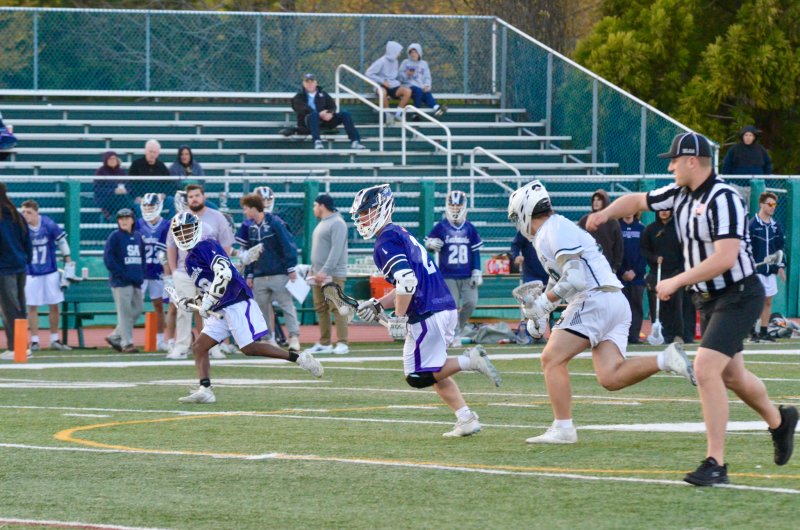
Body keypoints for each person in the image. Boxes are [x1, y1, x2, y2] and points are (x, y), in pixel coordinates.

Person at [586, 131, 797, 486]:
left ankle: (716, 462)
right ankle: (781, 421)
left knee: (705, 367)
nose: (669, 166)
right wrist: (604, 213)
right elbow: (637, 200)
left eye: (673, 160)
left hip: (739, 293)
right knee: (733, 376)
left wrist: (677, 280)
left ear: (692, 161)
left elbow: (726, 257)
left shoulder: (724, 197)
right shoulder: (678, 194)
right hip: (710, 298)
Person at [507, 179, 695, 445]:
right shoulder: (555, 230)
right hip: (614, 301)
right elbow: (558, 279)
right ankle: (666, 360)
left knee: (551, 359)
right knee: (610, 376)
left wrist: (544, 305)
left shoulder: (553, 230)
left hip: (594, 299)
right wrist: (541, 314)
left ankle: (563, 428)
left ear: (525, 211)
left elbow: (574, 280)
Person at [351, 184, 502, 436]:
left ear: (381, 209)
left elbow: (407, 282)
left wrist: (398, 318)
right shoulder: (399, 233)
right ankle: (465, 418)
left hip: (427, 312)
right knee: (434, 370)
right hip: (442, 306)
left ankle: (470, 361)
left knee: (417, 375)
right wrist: (379, 304)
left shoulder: (385, 241)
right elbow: (408, 282)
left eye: (366, 211)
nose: (362, 218)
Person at [168, 212, 324, 404]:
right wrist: (191, 302)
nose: (184, 236)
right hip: (220, 309)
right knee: (199, 346)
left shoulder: (206, 245)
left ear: (196, 229)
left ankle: (300, 358)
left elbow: (224, 274)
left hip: (236, 301)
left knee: (249, 348)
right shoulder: (190, 260)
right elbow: (206, 290)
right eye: (180, 232)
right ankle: (205, 389)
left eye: (187, 230)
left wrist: (207, 301)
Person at [165, 184, 236, 360]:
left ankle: (213, 347)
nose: (194, 199)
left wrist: (221, 268)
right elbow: (171, 246)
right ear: (187, 199)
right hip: (184, 271)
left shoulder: (217, 217)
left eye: (197, 195)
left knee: (211, 310)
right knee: (184, 309)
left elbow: (226, 245)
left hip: (209, 272)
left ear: (203, 196)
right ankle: (181, 346)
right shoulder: (179, 218)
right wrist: (173, 271)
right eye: (190, 197)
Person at [237, 193, 300, 352]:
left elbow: (287, 245)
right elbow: (249, 254)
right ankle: (268, 338)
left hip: (278, 272)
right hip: (259, 274)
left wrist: (290, 267)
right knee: (261, 309)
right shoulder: (249, 227)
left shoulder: (275, 223)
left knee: (286, 305)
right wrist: (250, 274)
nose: (244, 212)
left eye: (246, 209)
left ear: (253, 208)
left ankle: (294, 337)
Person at [424, 190, 483, 346]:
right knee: (451, 307)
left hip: (467, 274)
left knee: (471, 303)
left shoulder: (470, 227)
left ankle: (459, 328)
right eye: (452, 204)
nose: (455, 208)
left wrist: (477, 270)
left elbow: (475, 251)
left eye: (458, 205)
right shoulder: (441, 227)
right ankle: (454, 333)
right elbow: (428, 243)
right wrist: (430, 244)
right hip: (448, 275)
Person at [20, 200, 75, 352]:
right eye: (23, 212)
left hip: (50, 270)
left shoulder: (48, 224)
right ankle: (35, 341)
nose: (25, 215)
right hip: (31, 272)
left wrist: (68, 259)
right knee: (32, 306)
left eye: (29, 212)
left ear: (37, 212)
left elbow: (62, 241)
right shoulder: (21, 226)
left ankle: (54, 339)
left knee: (54, 305)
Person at [305, 194, 350, 355]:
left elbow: (336, 250)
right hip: (318, 274)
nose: (314, 209)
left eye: (315, 205)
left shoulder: (338, 223)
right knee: (321, 308)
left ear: (322, 206)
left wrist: (325, 270)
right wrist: (314, 269)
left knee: (337, 308)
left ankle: (342, 342)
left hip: (332, 274)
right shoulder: (322, 223)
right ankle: (325, 342)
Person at [640, 210, 685, 344]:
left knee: (676, 306)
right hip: (656, 272)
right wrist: (654, 258)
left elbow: (684, 250)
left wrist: (681, 271)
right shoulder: (650, 229)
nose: (664, 212)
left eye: (667, 209)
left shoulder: (678, 229)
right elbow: (644, 250)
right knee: (657, 306)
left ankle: (677, 335)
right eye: (661, 210)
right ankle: (659, 334)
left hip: (675, 273)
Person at [289, 73, 367, 151]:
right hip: (309, 122)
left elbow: (333, 106)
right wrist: (319, 114)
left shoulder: (323, 94)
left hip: (325, 121)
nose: (310, 84)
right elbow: (301, 108)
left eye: (312, 81)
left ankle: (355, 141)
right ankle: (317, 141)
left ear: (316, 83)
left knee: (345, 114)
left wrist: (330, 113)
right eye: (307, 82)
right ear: (304, 84)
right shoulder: (299, 96)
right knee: (313, 114)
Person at [103, 208, 144, 353]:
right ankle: (127, 343)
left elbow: (142, 257)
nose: (124, 221)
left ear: (133, 220)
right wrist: (120, 274)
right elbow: (108, 258)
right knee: (125, 313)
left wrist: (140, 274)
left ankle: (115, 336)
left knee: (138, 310)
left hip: (136, 280)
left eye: (127, 218)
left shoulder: (138, 236)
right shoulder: (115, 237)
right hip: (121, 282)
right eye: (121, 218)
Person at [0, 182, 31, 360]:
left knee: (9, 308)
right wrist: (27, 259)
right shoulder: (15, 215)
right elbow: (27, 240)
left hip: (4, 268)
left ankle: (15, 347)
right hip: (20, 266)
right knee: (20, 306)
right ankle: (22, 346)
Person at [136, 193, 171, 352]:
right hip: (141, 271)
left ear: (159, 207)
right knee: (134, 305)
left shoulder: (166, 225)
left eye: (151, 206)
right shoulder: (137, 224)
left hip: (159, 271)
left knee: (159, 305)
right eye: (146, 206)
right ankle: (126, 338)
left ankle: (159, 339)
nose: (148, 209)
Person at [749, 191, 785, 343]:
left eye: (774, 204)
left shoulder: (775, 226)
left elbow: (779, 248)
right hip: (755, 270)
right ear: (761, 204)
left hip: (770, 271)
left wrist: (780, 267)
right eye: (769, 204)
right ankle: (751, 331)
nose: (772, 207)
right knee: (755, 301)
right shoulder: (752, 224)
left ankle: (764, 331)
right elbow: (746, 247)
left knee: (768, 301)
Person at [366, 41, 412, 126]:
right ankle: (388, 116)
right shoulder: (381, 61)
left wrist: (406, 74)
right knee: (383, 92)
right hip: (381, 85)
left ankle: (397, 114)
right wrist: (382, 81)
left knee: (407, 91)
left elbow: (396, 75)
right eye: (399, 52)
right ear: (393, 51)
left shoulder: (395, 61)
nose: (400, 54)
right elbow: (368, 73)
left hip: (393, 85)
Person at [578, 189, 623, 273]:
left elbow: (618, 247)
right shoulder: (585, 220)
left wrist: (615, 267)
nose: (596, 202)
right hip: (587, 266)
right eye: (594, 200)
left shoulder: (612, 222)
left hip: (607, 267)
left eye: (599, 200)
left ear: (605, 201)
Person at [398, 43, 447, 118]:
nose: (413, 54)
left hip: (420, 86)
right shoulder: (405, 62)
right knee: (418, 91)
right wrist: (407, 74)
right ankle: (416, 112)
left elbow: (427, 77)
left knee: (426, 92)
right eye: (411, 52)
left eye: (415, 52)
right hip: (408, 86)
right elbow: (399, 77)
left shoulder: (424, 64)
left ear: (419, 52)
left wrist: (427, 86)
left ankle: (436, 108)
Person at [618, 214, 646, 344]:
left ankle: (634, 336)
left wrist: (635, 271)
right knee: (621, 308)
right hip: (620, 277)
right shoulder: (617, 227)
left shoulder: (641, 228)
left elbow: (644, 253)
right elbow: (616, 251)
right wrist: (622, 271)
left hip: (637, 277)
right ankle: (621, 336)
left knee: (636, 306)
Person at [93, 151, 129, 221]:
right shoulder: (100, 172)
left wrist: (125, 190)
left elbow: (128, 185)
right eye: (110, 159)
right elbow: (98, 189)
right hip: (105, 197)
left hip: (121, 197)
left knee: (126, 199)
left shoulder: (121, 171)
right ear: (106, 160)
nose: (113, 161)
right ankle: (112, 216)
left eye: (114, 159)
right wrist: (113, 191)